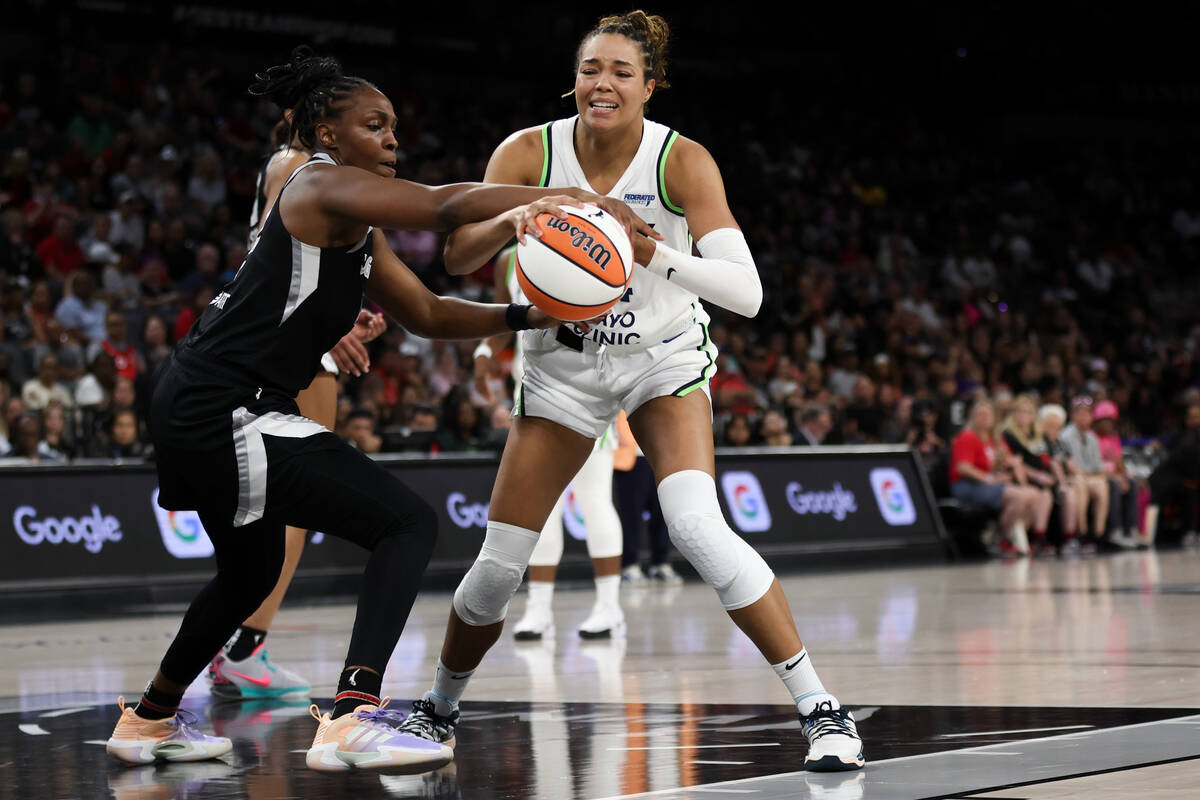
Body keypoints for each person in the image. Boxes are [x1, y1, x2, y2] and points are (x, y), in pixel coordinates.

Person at [104, 49, 647, 773]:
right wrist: (563, 199)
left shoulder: (349, 217)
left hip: (205, 401)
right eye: (374, 125)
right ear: (328, 135)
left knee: (248, 572)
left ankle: (148, 721)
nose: (393, 138)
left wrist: (527, 314)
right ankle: (354, 715)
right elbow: (444, 206)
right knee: (406, 521)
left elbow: (424, 311)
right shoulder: (316, 184)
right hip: (226, 406)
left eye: (395, 126)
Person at [399, 11, 864, 773]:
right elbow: (455, 255)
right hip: (560, 366)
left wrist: (642, 246)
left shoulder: (681, 162)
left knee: (697, 528)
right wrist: (515, 217)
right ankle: (438, 710)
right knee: (497, 565)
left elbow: (745, 294)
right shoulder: (527, 150)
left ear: (651, 86)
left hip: (661, 360)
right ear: (573, 78)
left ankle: (822, 709)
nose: (603, 83)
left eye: (621, 72)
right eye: (591, 69)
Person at [207, 70, 388, 705]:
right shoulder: (300, 165)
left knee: (277, 506)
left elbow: (278, 258)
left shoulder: (284, 164)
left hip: (278, 338)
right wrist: (320, 329)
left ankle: (239, 644)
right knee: (288, 505)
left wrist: (342, 312)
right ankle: (244, 649)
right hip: (288, 351)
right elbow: (280, 260)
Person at [473, 245, 627, 639]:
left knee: (595, 500)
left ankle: (609, 608)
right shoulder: (508, 259)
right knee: (544, 510)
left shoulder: (588, 246)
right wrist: (485, 349)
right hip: (534, 395)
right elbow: (504, 315)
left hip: (589, 392)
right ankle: (539, 610)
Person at [949, 398, 1049, 556]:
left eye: (988, 414)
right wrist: (990, 479)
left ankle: (1002, 536)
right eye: (981, 414)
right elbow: (964, 468)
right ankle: (1002, 538)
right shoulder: (967, 437)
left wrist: (1006, 468)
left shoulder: (995, 439)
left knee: (1035, 495)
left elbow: (1009, 463)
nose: (985, 417)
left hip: (989, 485)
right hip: (967, 485)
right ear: (972, 417)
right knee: (1019, 497)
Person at [999, 394, 1059, 551]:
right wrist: (1037, 476)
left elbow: (1051, 459)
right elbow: (1015, 462)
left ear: (1033, 415)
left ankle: (1039, 537)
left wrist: (1061, 479)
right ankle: (1012, 538)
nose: (1023, 415)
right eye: (1019, 411)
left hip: (1043, 479)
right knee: (1037, 495)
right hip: (1021, 479)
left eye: (1027, 412)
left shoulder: (1040, 436)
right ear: (1013, 414)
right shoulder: (1008, 435)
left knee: (1046, 495)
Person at [1093, 400, 1140, 547]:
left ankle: (1130, 530)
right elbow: (1094, 467)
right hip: (1100, 476)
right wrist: (1116, 478)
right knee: (1113, 486)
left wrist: (1125, 476)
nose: (1110, 426)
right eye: (1106, 421)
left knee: (1132, 483)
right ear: (1097, 422)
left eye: (1112, 422)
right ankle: (1115, 531)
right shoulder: (1091, 438)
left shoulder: (1113, 438)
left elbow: (1119, 462)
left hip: (1115, 476)